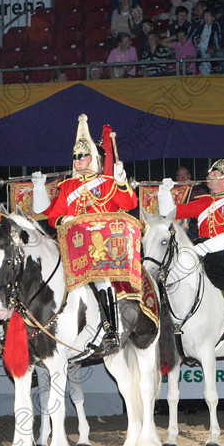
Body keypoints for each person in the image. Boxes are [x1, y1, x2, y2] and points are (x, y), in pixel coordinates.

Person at [31, 115, 138, 349]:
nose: (79, 160)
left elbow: (130, 204)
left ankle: (111, 328)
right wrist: (65, 218)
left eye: (83, 155)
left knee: (101, 280)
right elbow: (53, 216)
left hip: (101, 248)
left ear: (94, 158)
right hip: (73, 245)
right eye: (76, 157)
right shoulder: (67, 186)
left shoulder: (108, 182)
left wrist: (121, 182)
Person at [157, 145, 224, 357]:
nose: (210, 178)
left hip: (223, 253)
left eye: (216, 175)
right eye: (210, 175)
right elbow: (170, 213)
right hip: (198, 248)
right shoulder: (202, 202)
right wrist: (164, 193)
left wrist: (203, 248)